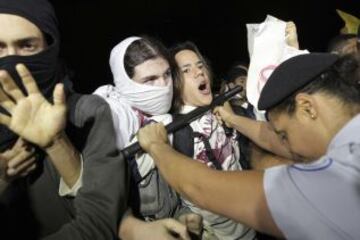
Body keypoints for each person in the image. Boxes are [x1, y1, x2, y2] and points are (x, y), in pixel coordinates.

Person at [137, 53, 360, 239]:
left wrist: (157, 146)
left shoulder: (334, 183)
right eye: (185, 70)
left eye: (284, 134)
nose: (285, 145)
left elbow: (202, 187)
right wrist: (233, 119)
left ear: (308, 107)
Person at [0, 0, 128, 239]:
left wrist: (57, 143)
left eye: (27, 45)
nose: (11, 61)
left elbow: (102, 222)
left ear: (50, 48)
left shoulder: (86, 113)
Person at [93, 36, 202, 240]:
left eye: (167, 74)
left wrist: (184, 216)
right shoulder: (112, 117)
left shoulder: (171, 122)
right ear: (126, 83)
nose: (163, 86)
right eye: (150, 79)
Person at [170, 41, 256, 240]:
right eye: (186, 70)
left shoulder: (224, 108)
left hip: (250, 221)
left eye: (200, 66)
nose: (199, 73)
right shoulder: (175, 132)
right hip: (217, 233)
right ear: (174, 82)